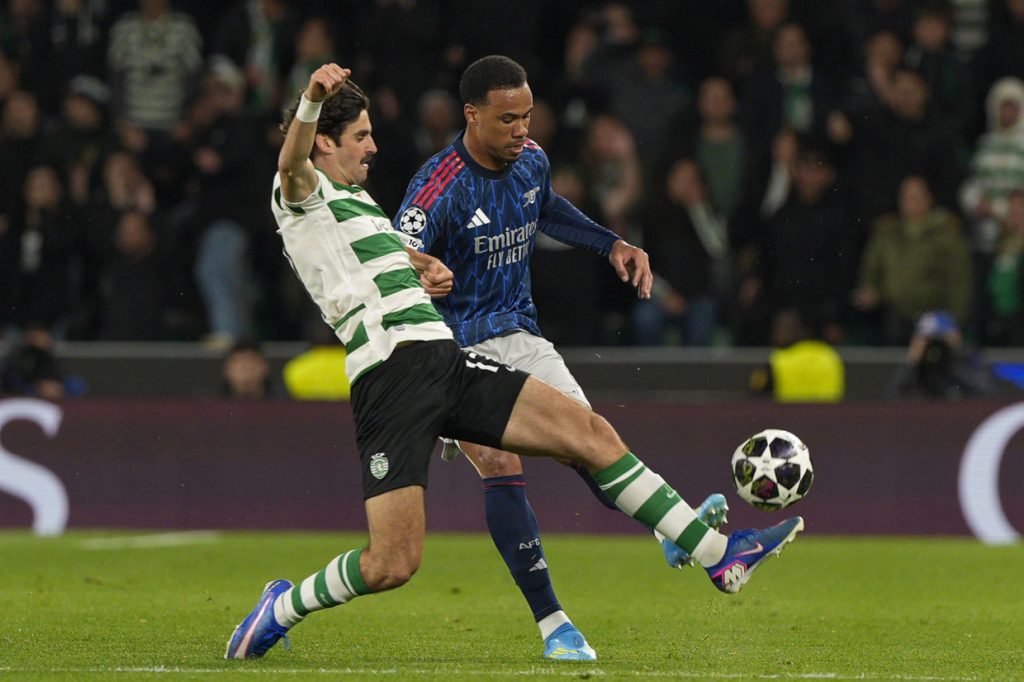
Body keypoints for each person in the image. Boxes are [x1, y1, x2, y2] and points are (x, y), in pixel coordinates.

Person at [225, 62, 804, 661]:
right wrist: (314, 98)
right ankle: (283, 607)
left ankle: (717, 555)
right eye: (361, 135)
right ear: (324, 138)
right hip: (389, 376)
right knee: (393, 563)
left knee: (588, 431)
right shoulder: (302, 193)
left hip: (446, 359)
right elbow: (291, 164)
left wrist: (423, 267)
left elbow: (390, 260)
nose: (375, 144)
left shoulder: (363, 206)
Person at [393, 55, 725, 660]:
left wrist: (612, 244)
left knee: (593, 440)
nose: (522, 130)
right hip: (455, 347)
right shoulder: (436, 186)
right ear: (471, 115)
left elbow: (546, 208)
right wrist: (421, 268)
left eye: (527, 116)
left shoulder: (534, 160)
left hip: (521, 333)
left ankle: (670, 529)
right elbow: (391, 257)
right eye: (507, 119)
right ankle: (555, 625)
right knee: (499, 464)